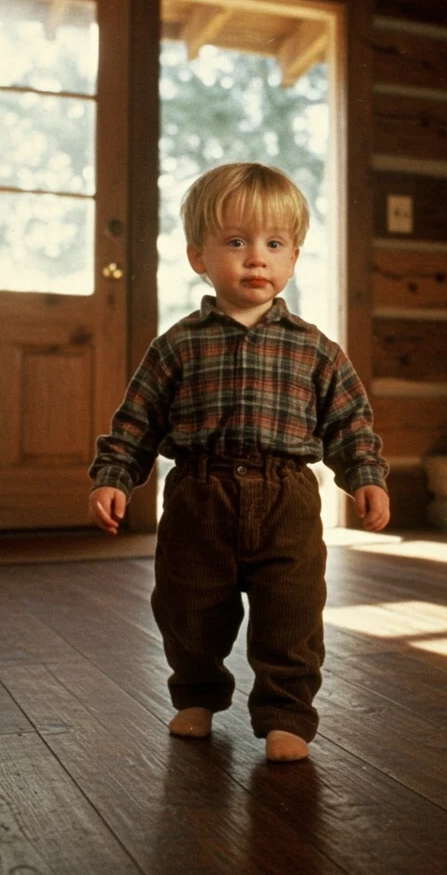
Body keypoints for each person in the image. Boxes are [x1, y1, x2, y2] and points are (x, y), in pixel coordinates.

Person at [88, 162, 390, 762]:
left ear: (294, 258)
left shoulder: (315, 348)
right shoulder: (178, 343)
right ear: (199, 256)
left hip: (288, 499)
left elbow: (349, 422)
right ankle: (196, 695)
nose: (257, 259)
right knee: (188, 602)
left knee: (292, 608)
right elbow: (138, 419)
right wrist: (114, 476)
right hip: (200, 495)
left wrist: (367, 478)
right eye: (237, 242)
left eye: (274, 244)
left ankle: (285, 712)